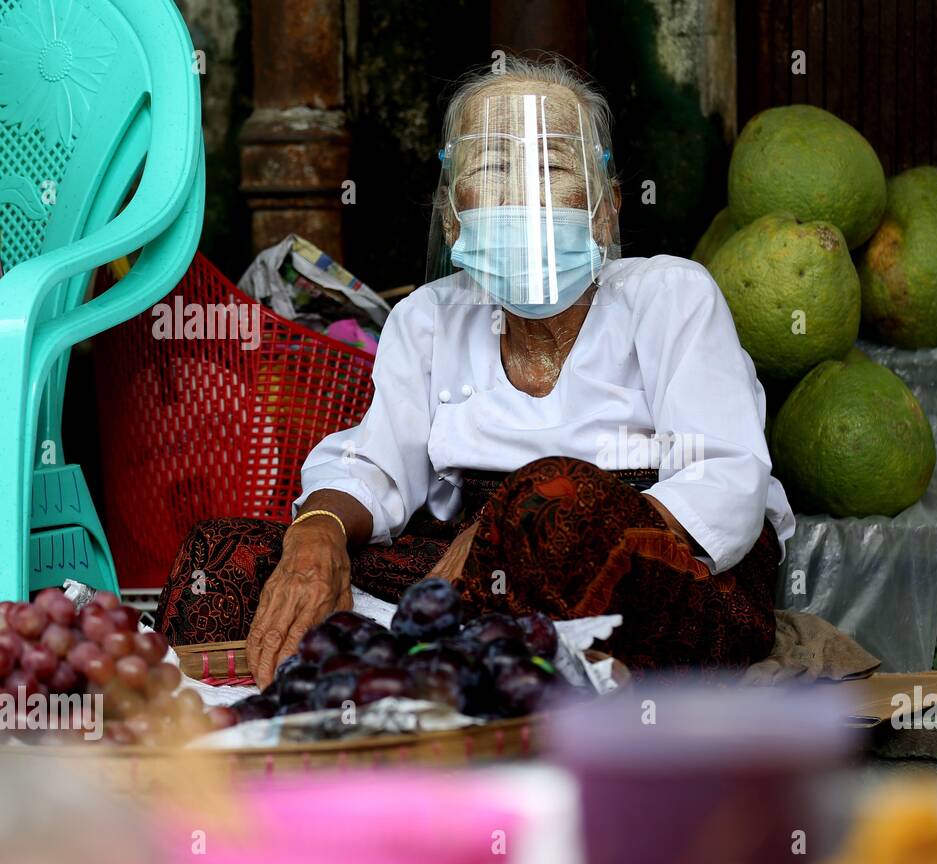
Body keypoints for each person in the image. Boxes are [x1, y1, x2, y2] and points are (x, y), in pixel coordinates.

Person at [157, 55, 795, 686]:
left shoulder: (671, 295)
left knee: (550, 514)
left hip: (649, 559)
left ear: (606, 208)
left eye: (552, 167)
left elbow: (726, 476)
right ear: (451, 212)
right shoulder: (428, 317)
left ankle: (446, 645)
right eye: (493, 168)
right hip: (472, 570)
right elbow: (375, 464)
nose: (523, 195)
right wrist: (315, 533)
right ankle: (424, 652)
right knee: (224, 562)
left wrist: (514, 522)